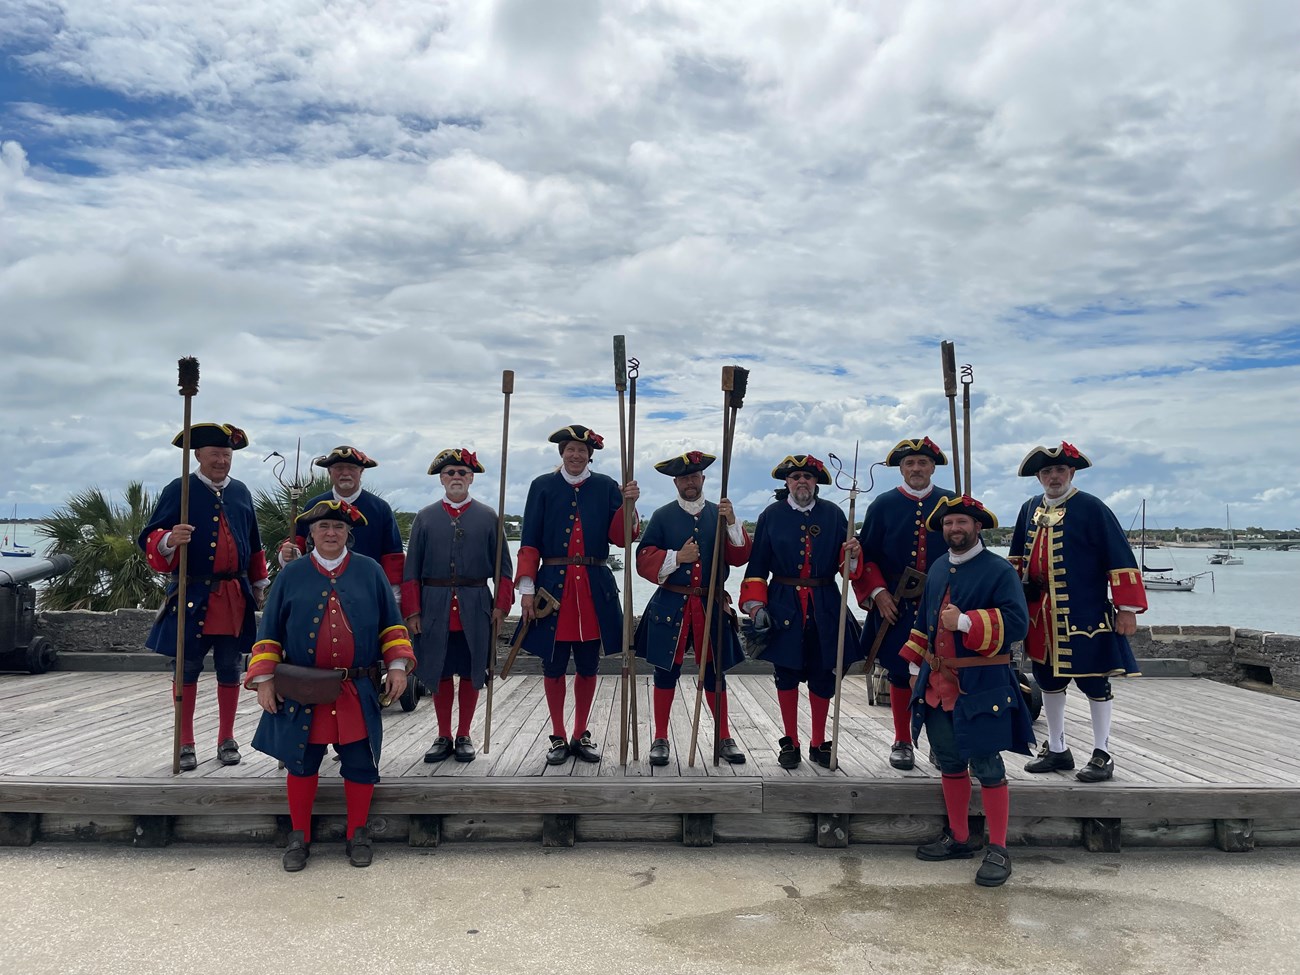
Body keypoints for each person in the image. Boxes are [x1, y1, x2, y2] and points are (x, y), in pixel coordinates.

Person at [245, 500, 416, 871]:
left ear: (347, 534)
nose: (331, 533)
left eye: (338, 528)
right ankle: (298, 837)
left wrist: (398, 667)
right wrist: (264, 680)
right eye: (323, 527)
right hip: (302, 689)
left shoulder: (370, 571)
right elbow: (269, 630)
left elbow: (392, 624)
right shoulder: (292, 575)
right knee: (301, 762)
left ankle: (358, 833)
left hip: (356, 688)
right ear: (311, 535)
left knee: (359, 762)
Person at [904, 495, 1031, 887]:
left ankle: (998, 848)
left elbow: (1017, 624)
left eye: (961, 522)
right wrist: (914, 663)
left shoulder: (999, 570)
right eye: (948, 524)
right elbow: (926, 618)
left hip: (981, 686)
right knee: (949, 761)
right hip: (938, 682)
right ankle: (959, 837)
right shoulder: (939, 566)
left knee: (989, 766)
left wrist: (964, 623)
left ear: (978, 527)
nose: (954, 529)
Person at [1008, 442, 1147, 783]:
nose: (1052, 477)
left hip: (1084, 614)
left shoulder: (1091, 507)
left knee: (1094, 684)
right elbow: (1016, 560)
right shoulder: (1029, 508)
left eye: (1058, 471)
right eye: (1046, 472)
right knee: (1049, 682)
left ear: (1070, 473)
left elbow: (1119, 557)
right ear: (1039, 477)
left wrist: (1127, 609)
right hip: (1040, 617)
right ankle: (1057, 748)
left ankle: (1103, 753)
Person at [138, 422, 269, 771]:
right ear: (198, 455)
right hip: (192, 593)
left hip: (234, 596)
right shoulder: (179, 489)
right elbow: (149, 536)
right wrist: (169, 539)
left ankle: (227, 738)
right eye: (215, 455)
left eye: (227, 455)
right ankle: (185, 743)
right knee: (187, 670)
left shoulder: (241, 491)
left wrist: (258, 585)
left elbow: (253, 542)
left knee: (230, 668)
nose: (222, 461)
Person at [513, 425, 639, 766]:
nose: (575, 455)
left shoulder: (607, 486)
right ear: (561, 453)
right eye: (569, 449)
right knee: (552, 666)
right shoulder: (542, 486)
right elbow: (529, 540)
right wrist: (526, 590)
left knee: (588, 664)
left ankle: (581, 732)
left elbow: (622, 539)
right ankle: (557, 735)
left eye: (581, 450)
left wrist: (629, 505)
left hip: (594, 588)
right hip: (551, 589)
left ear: (590, 455)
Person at [740, 454, 862, 769]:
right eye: (796, 477)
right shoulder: (771, 515)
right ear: (787, 483)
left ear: (816, 482)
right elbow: (757, 567)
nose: (802, 482)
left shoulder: (835, 514)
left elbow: (845, 567)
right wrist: (755, 606)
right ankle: (790, 742)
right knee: (787, 674)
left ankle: (818, 742)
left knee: (824, 675)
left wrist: (852, 555)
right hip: (783, 604)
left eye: (808, 477)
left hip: (825, 603)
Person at [634, 450, 752, 766]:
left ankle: (724, 737)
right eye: (684, 477)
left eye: (695, 476)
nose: (690, 481)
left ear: (703, 479)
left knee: (714, 673)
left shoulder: (720, 513)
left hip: (709, 603)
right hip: (670, 603)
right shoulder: (661, 516)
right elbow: (643, 558)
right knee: (665, 671)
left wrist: (731, 521)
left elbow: (740, 557)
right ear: (676, 481)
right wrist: (676, 558)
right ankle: (660, 737)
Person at [852, 436, 956, 770]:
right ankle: (902, 740)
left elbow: (969, 553)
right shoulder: (882, 505)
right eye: (909, 464)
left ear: (932, 467)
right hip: (897, 608)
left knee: (945, 675)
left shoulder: (952, 503)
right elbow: (866, 557)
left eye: (922, 463)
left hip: (944, 607)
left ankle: (941, 745)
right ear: (901, 469)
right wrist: (879, 593)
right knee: (899, 674)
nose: (916, 469)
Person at [404, 448, 514, 764]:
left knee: (470, 673)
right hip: (434, 608)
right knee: (437, 673)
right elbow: (411, 569)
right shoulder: (425, 518)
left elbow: (503, 569)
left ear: (471, 478)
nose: (456, 478)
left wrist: (501, 607)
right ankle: (443, 735)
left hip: (476, 607)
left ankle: (464, 734)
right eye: (450, 473)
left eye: (462, 473)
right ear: (441, 478)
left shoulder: (489, 517)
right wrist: (412, 611)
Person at [279, 445, 414, 611]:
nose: (345, 473)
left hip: (367, 593)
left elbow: (392, 556)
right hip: (317, 592)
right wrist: (287, 553)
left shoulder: (380, 509)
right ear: (329, 471)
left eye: (352, 468)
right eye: (338, 468)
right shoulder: (313, 506)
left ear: (361, 471)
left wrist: (392, 598)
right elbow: (298, 542)